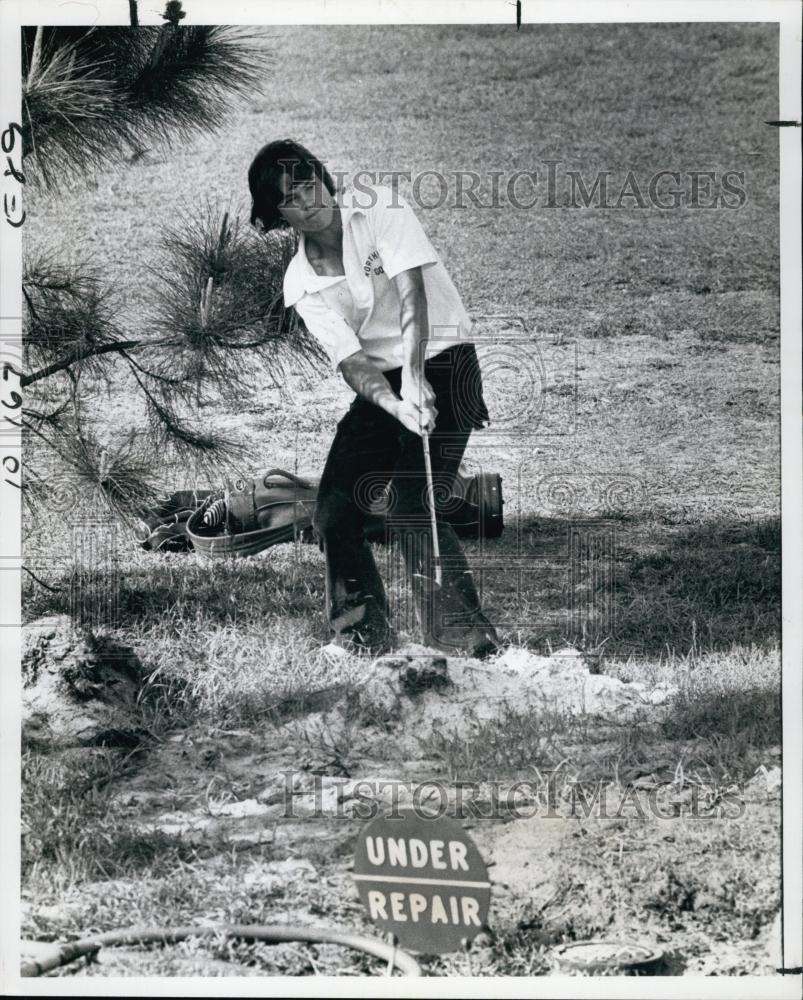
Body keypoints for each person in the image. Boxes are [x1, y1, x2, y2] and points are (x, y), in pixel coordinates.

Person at [248, 139, 499, 659]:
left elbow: (413, 292)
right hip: (381, 385)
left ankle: (467, 640)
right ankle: (363, 639)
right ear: (279, 215)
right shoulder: (300, 282)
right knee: (334, 512)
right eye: (290, 197)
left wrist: (414, 376)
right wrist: (393, 403)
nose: (308, 200)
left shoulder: (379, 206)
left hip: (446, 361)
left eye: (309, 183)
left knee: (411, 505)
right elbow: (352, 361)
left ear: (324, 176)